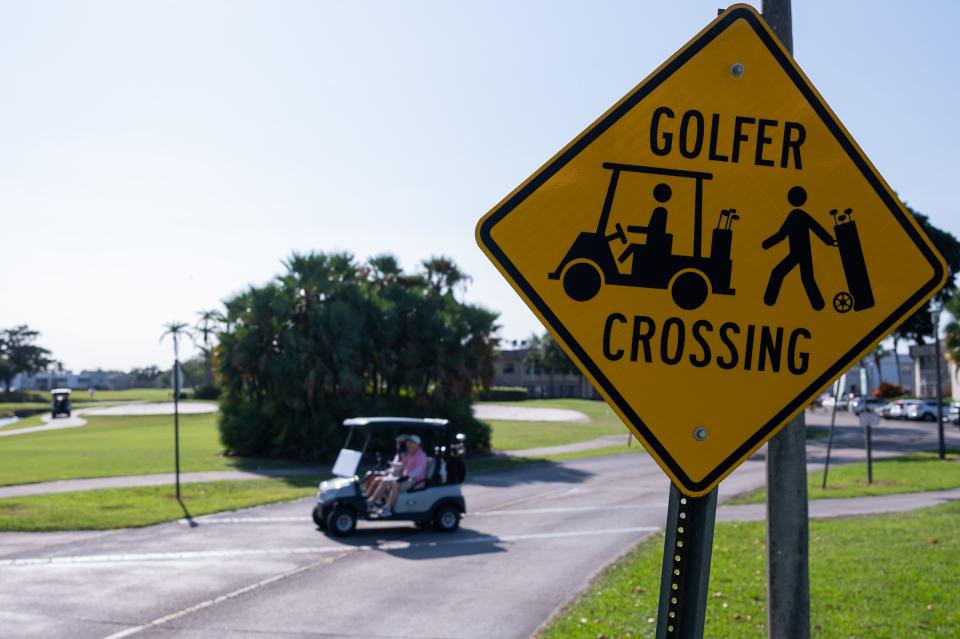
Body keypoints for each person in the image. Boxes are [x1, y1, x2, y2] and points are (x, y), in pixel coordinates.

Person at [761, 186, 836, 310]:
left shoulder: (795, 215)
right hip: (802, 253)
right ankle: (818, 304)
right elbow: (816, 228)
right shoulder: (800, 215)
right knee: (806, 278)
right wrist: (829, 241)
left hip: (798, 253)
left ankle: (769, 301)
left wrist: (766, 244)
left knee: (779, 273)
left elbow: (782, 234)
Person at [367, 434, 429, 517]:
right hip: (406, 479)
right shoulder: (409, 454)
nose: (408, 445)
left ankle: (387, 508)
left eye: (411, 443)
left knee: (396, 483)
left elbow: (417, 471)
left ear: (417, 445)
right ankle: (371, 502)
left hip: (416, 481)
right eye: (408, 443)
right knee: (385, 480)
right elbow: (402, 466)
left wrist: (404, 477)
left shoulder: (421, 455)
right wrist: (389, 463)